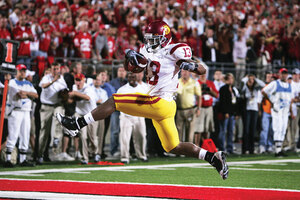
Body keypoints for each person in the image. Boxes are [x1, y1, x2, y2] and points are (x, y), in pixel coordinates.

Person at [57, 20, 229, 180]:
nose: (150, 42)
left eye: (154, 39)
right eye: (148, 39)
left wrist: (190, 66)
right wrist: (130, 59)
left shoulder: (175, 49)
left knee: (114, 101)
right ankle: (213, 158)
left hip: (160, 102)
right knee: (172, 146)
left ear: (165, 38)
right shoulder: (146, 50)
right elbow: (130, 69)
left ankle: (76, 125)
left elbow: (202, 69)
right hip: (163, 105)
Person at [4, 64, 38, 167]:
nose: (23, 73)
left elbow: (36, 95)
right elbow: (20, 94)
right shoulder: (12, 82)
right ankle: (8, 159)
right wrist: (29, 94)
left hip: (26, 111)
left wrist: (27, 93)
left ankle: (23, 159)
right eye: (21, 71)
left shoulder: (28, 83)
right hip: (16, 110)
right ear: (16, 71)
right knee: (13, 134)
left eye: (24, 71)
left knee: (25, 134)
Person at [37, 63, 67, 164]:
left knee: (60, 119)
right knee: (44, 131)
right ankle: (39, 155)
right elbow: (43, 86)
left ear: (59, 69)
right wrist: (54, 80)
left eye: (57, 69)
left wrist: (64, 95)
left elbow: (65, 91)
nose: (55, 71)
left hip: (57, 104)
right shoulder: (46, 77)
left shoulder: (61, 78)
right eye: (54, 69)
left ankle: (56, 139)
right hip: (46, 106)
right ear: (51, 69)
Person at [262, 68, 294, 157]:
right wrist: (271, 101)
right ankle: (277, 150)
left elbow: (290, 99)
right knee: (278, 128)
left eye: (285, 73)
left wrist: (291, 111)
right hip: (277, 109)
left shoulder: (289, 85)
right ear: (279, 74)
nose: (284, 75)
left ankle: (280, 149)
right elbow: (263, 91)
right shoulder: (275, 83)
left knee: (283, 129)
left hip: (285, 110)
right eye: (282, 73)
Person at [118, 72, 148, 164]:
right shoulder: (122, 89)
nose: (132, 79)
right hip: (126, 116)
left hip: (139, 115)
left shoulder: (144, 88)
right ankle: (124, 157)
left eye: (133, 77)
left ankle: (142, 155)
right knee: (124, 138)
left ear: (137, 77)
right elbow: (118, 103)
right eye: (130, 77)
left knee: (142, 136)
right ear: (127, 78)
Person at [240, 75, 265, 154]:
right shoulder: (245, 88)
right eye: (249, 79)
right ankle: (245, 149)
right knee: (246, 130)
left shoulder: (256, 89)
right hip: (247, 110)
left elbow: (263, 85)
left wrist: (255, 78)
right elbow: (242, 82)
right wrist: (247, 79)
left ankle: (251, 148)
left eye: (252, 79)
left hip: (254, 110)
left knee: (252, 130)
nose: (251, 81)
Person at [176, 70, 201, 143]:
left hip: (191, 109)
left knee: (190, 131)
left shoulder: (194, 83)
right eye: (183, 71)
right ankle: (179, 149)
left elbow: (199, 96)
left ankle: (188, 149)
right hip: (179, 109)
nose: (184, 73)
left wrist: (198, 108)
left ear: (190, 73)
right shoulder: (177, 82)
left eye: (186, 71)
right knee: (178, 130)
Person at [218, 73, 239, 154]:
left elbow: (235, 102)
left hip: (232, 113)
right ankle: (222, 148)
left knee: (231, 131)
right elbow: (223, 102)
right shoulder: (223, 89)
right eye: (229, 79)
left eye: (232, 79)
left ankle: (230, 148)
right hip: (225, 114)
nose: (231, 80)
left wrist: (236, 113)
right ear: (226, 80)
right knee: (223, 131)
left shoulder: (233, 89)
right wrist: (225, 112)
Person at [196, 73, 218, 146]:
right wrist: (201, 91)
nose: (203, 75)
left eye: (204, 74)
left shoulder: (210, 83)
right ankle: (197, 146)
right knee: (198, 129)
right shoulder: (197, 83)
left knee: (207, 129)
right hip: (200, 108)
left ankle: (206, 146)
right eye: (201, 74)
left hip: (209, 108)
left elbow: (216, 95)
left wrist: (210, 90)